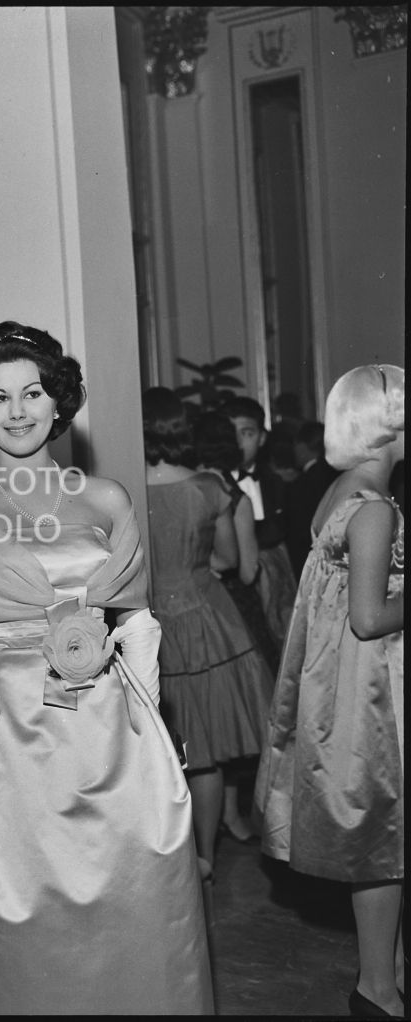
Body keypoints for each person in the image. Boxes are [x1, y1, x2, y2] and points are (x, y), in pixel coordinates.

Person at [0, 323, 213, 1014]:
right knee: (8, 923)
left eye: (32, 393)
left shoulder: (107, 499)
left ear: (58, 401)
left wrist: (154, 735)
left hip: (108, 730)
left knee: (126, 902)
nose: (16, 411)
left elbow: (139, 624)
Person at [255, 365, 404, 1019]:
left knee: (384, 843)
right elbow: (369, 618)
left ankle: (386, 976)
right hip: (374, 691)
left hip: (347, 686)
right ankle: (379, 987)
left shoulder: (342, 489)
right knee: (384, 843)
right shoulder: (374, 509)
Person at [142, 388, 276, 876]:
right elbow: (225, 561)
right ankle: (206, 858)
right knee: (205, 754)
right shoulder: (205, 488)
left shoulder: (124, 489)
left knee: (159, 747)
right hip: (205, 620)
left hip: (147, 625)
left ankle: (165, 860)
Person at [192, 408, 277, 846]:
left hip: (188, 612)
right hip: (233, 613)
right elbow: (245, 571)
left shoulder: (181, 488)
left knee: (206, 721)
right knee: (238, 719)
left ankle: (219, 816)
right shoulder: (232, 496)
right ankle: (233, 813)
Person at [221, 395, 298, 652]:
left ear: (262, 438)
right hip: (233, 598)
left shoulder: (277, 484)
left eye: (248, 433)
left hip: (276, 594)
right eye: (232, 433)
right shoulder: (215, 484)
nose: (239, 442)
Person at [283, 420, 339, 577]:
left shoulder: (300, 485)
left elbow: (298, 532)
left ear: (301, 447)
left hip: (311, 564)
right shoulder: (339, 477)